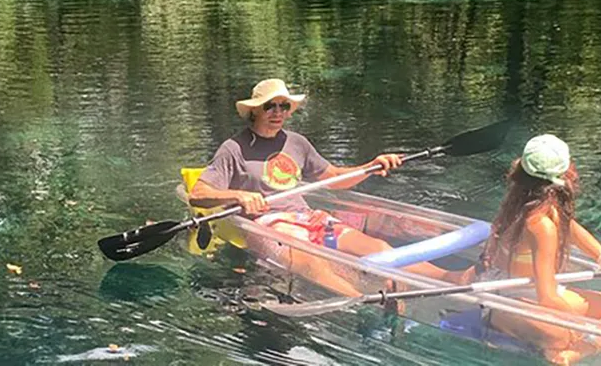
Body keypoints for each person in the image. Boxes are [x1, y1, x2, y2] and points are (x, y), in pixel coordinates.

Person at [188, 78, 468, 297]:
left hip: (308, 218)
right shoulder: (233, 149)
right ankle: (363, 302)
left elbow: (333, 177)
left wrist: (370, 165)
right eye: (270, 106)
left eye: (283, 106)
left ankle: (452, 278)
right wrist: (238, 194)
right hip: (267, 223)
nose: (277, 113)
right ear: (254, 111)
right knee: (309, 262)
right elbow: (198, 194)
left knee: (380, 248)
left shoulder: (296, 142)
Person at [478, 134, 601, 364]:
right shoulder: (540, 225)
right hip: (509, 301)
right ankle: (572, 352)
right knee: (564, 336)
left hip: (531, 295)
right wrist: (585, 328)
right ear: (566, 174)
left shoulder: (534, 203)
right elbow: (547, 298)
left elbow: (574, 230)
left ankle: (572, 351)